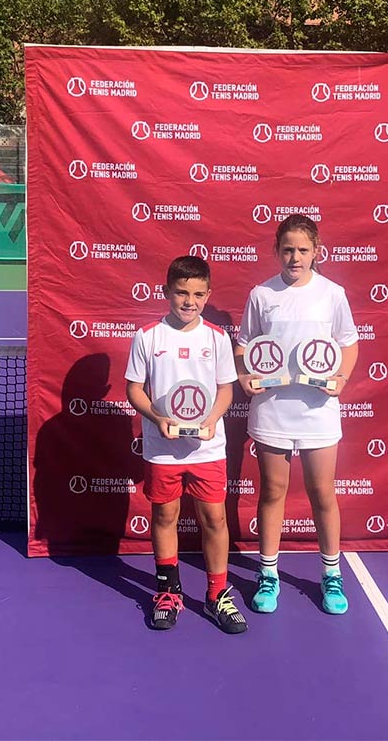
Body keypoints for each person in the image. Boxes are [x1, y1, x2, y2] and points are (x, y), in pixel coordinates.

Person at [236, 214, 359, 615]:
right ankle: (268, 574)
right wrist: (244, 376)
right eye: (287, 249)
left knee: (323, 493)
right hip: (272, 411)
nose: (295, 257)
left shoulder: (332, 293)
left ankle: (331, 575)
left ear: (316, 252)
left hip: (318, 412)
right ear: (276, 251)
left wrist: (341, 377)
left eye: (303, 250)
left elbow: (348, 343)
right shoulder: (261, 294)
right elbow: (244, 347)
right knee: (272, 492)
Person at [125, 255, 247, 633]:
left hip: (208, 449)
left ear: (207, 295)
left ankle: (216, 595)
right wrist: (157, 418)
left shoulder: (217, 337)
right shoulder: (147, 337)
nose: (188, 301)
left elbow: (226, 389)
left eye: (197, 294)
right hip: (163, 449)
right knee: (165, 516)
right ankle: (168, 591)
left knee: (214, 518)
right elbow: (134, 389)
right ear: (167, 292)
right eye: (181, 293)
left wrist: (212, 420)